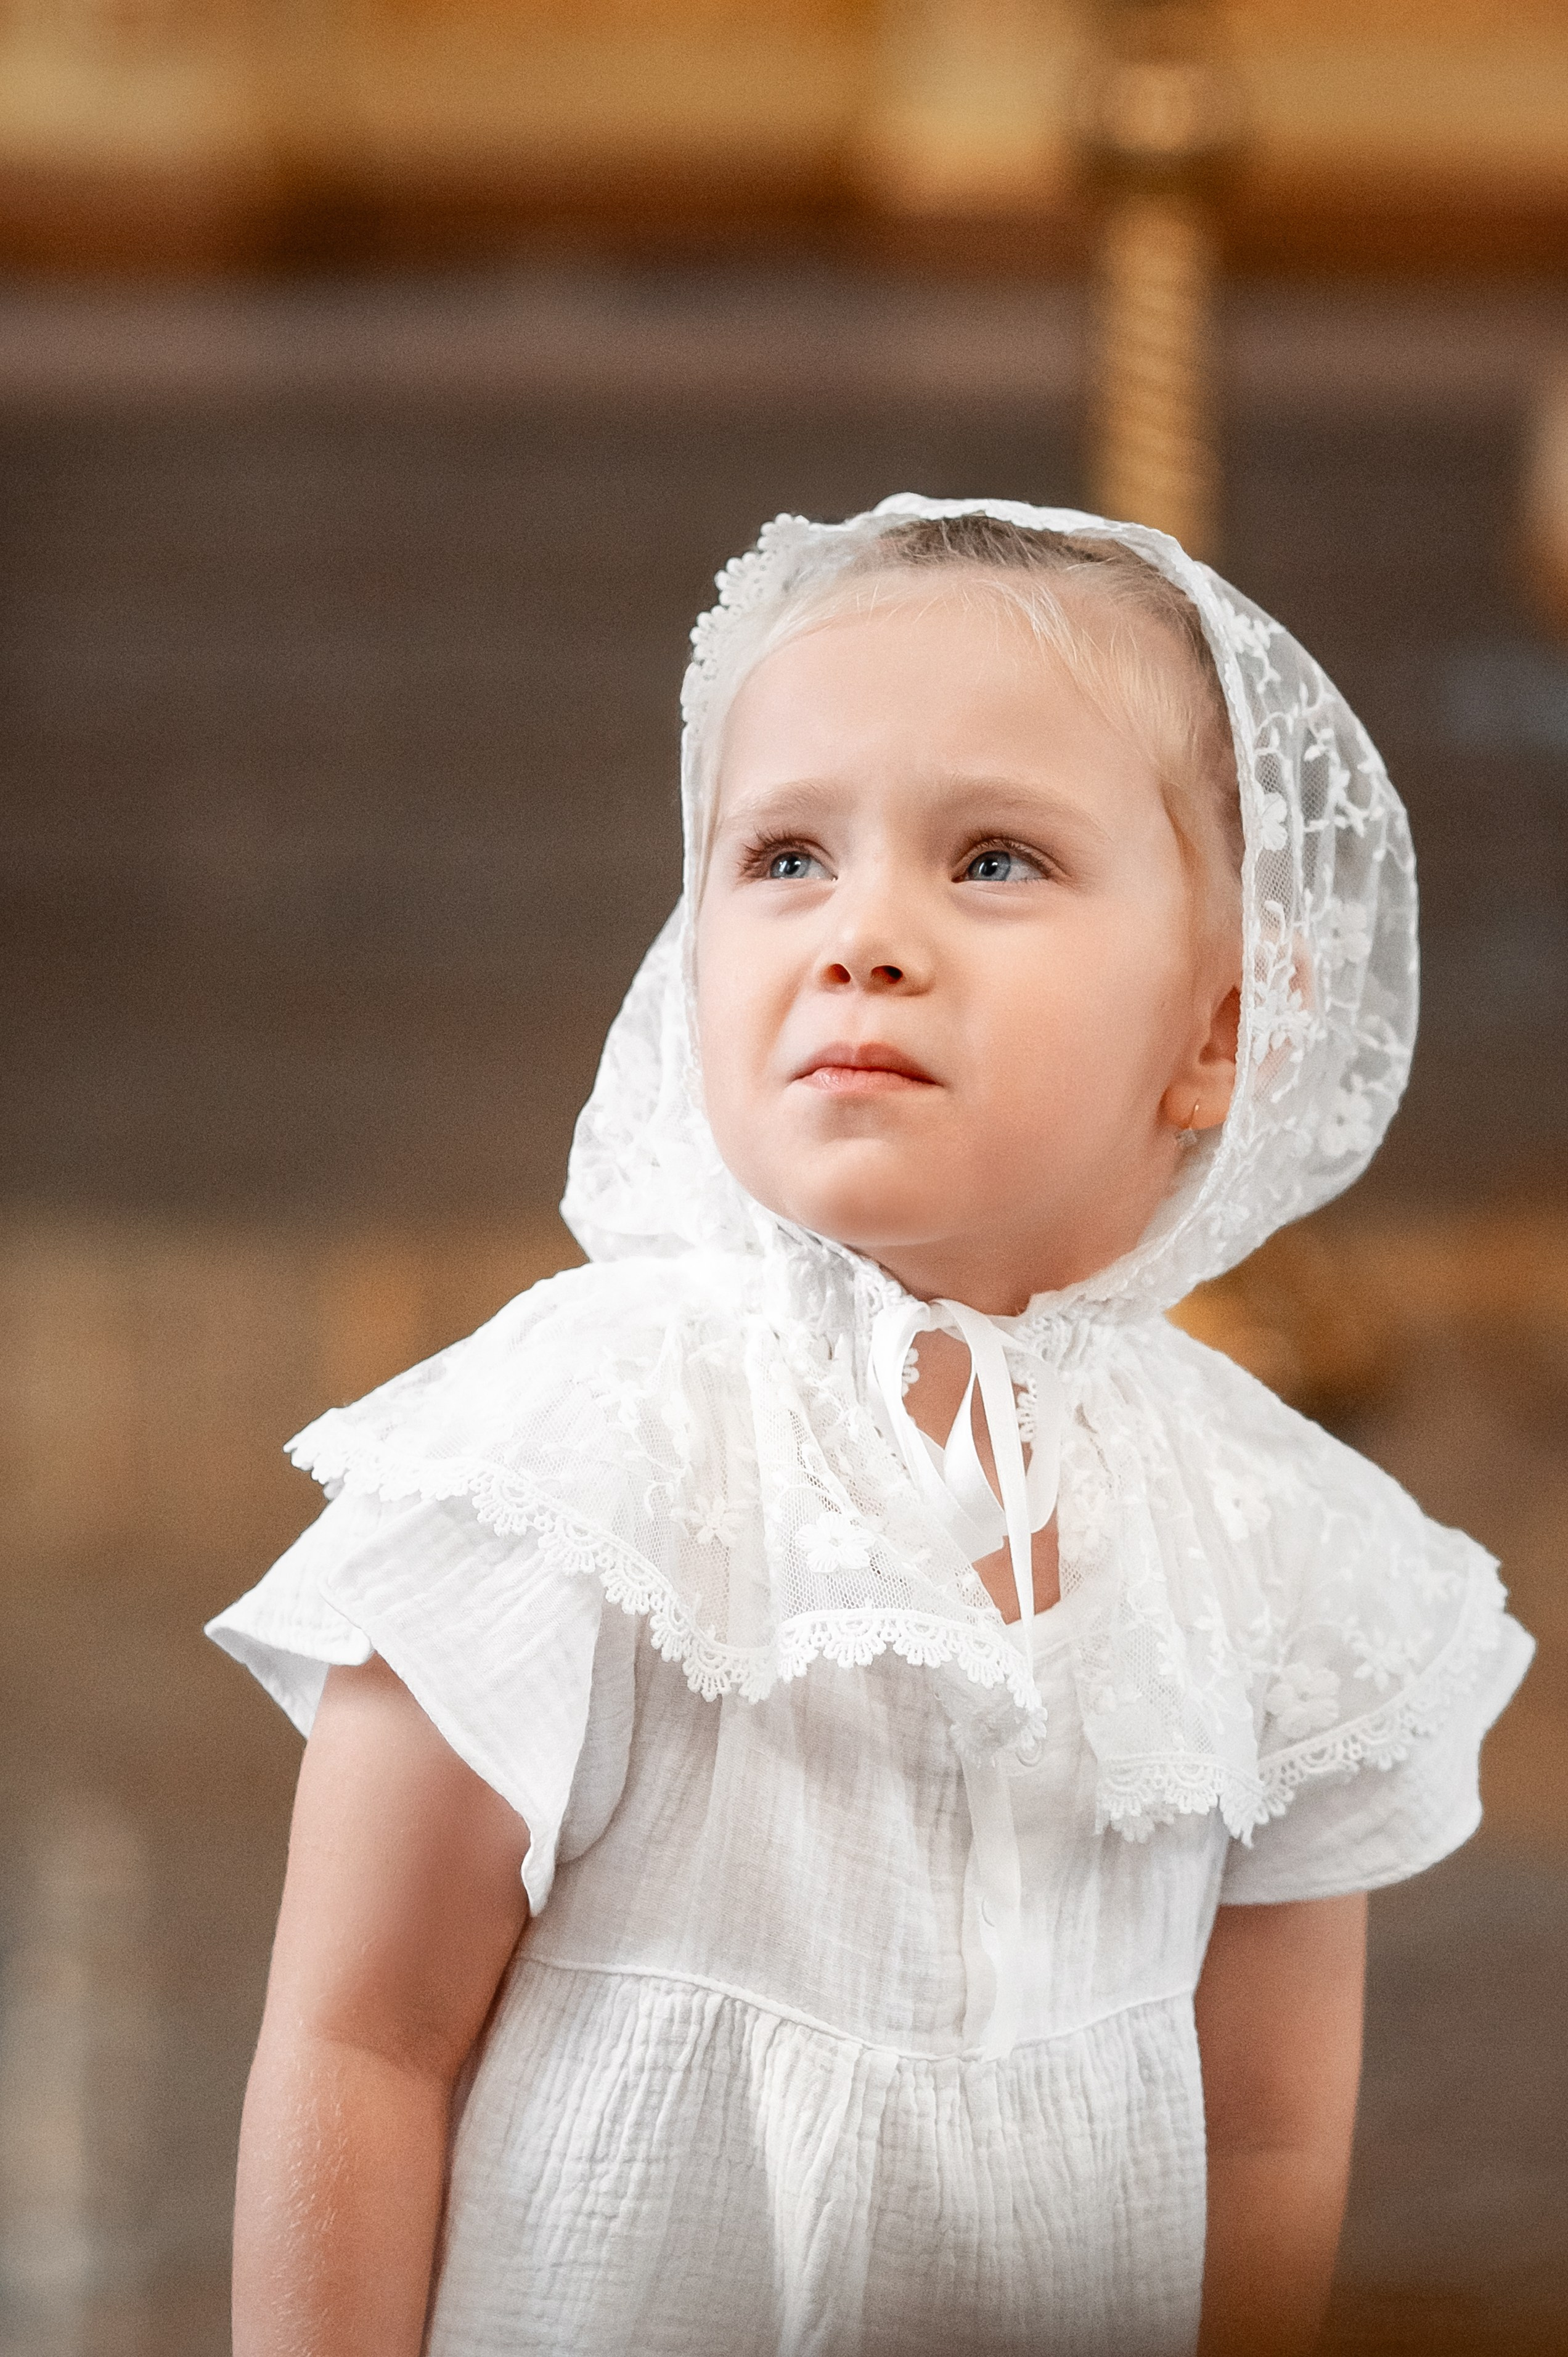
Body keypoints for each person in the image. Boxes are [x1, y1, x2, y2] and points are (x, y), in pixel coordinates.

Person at [210, 496, 1532, 2357]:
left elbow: (1267, 2133)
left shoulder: (1273, 1545)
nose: (865, 936)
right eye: (784, 858)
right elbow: (361, 2042)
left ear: (1219, 1034)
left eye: (995, 860)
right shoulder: (577, 1450)